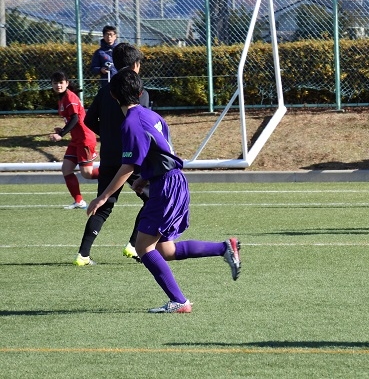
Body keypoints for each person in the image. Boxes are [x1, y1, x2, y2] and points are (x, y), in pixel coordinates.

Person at [87, 69, 241, 313]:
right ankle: (224, 248)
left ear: (113, 96)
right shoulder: (153, 115)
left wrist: (103, 196)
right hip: (172, 181)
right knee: (165, 249)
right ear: (140, 92)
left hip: (166, 187)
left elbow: (129, 164)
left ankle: (179, 301)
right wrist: (144, 180)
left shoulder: (130, 123)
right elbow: (162, 149)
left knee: (143, 247)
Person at [77, 43, 150, 266]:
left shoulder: (105, 90)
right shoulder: (140, 92)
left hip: (109, 156)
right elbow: (143, 123)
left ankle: (83, 255)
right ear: (136, 65)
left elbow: (88, 120)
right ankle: (133, 245)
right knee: (152, 199)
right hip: (133, 157)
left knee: (104, 205)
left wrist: (107, 135)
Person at [48, 71, 99, 209]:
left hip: (84, 139)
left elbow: (76, 118)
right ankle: (79, 201)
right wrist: (63, 129)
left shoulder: (69, 97)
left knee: (87, 174)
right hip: (76, 140)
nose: (58, 85)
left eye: (61, 82)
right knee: (66, 169)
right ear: (52, 84)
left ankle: (114, 174)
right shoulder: (62, 98)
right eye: (55, 83)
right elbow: (71, 119)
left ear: (67, 83)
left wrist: (61, 134)